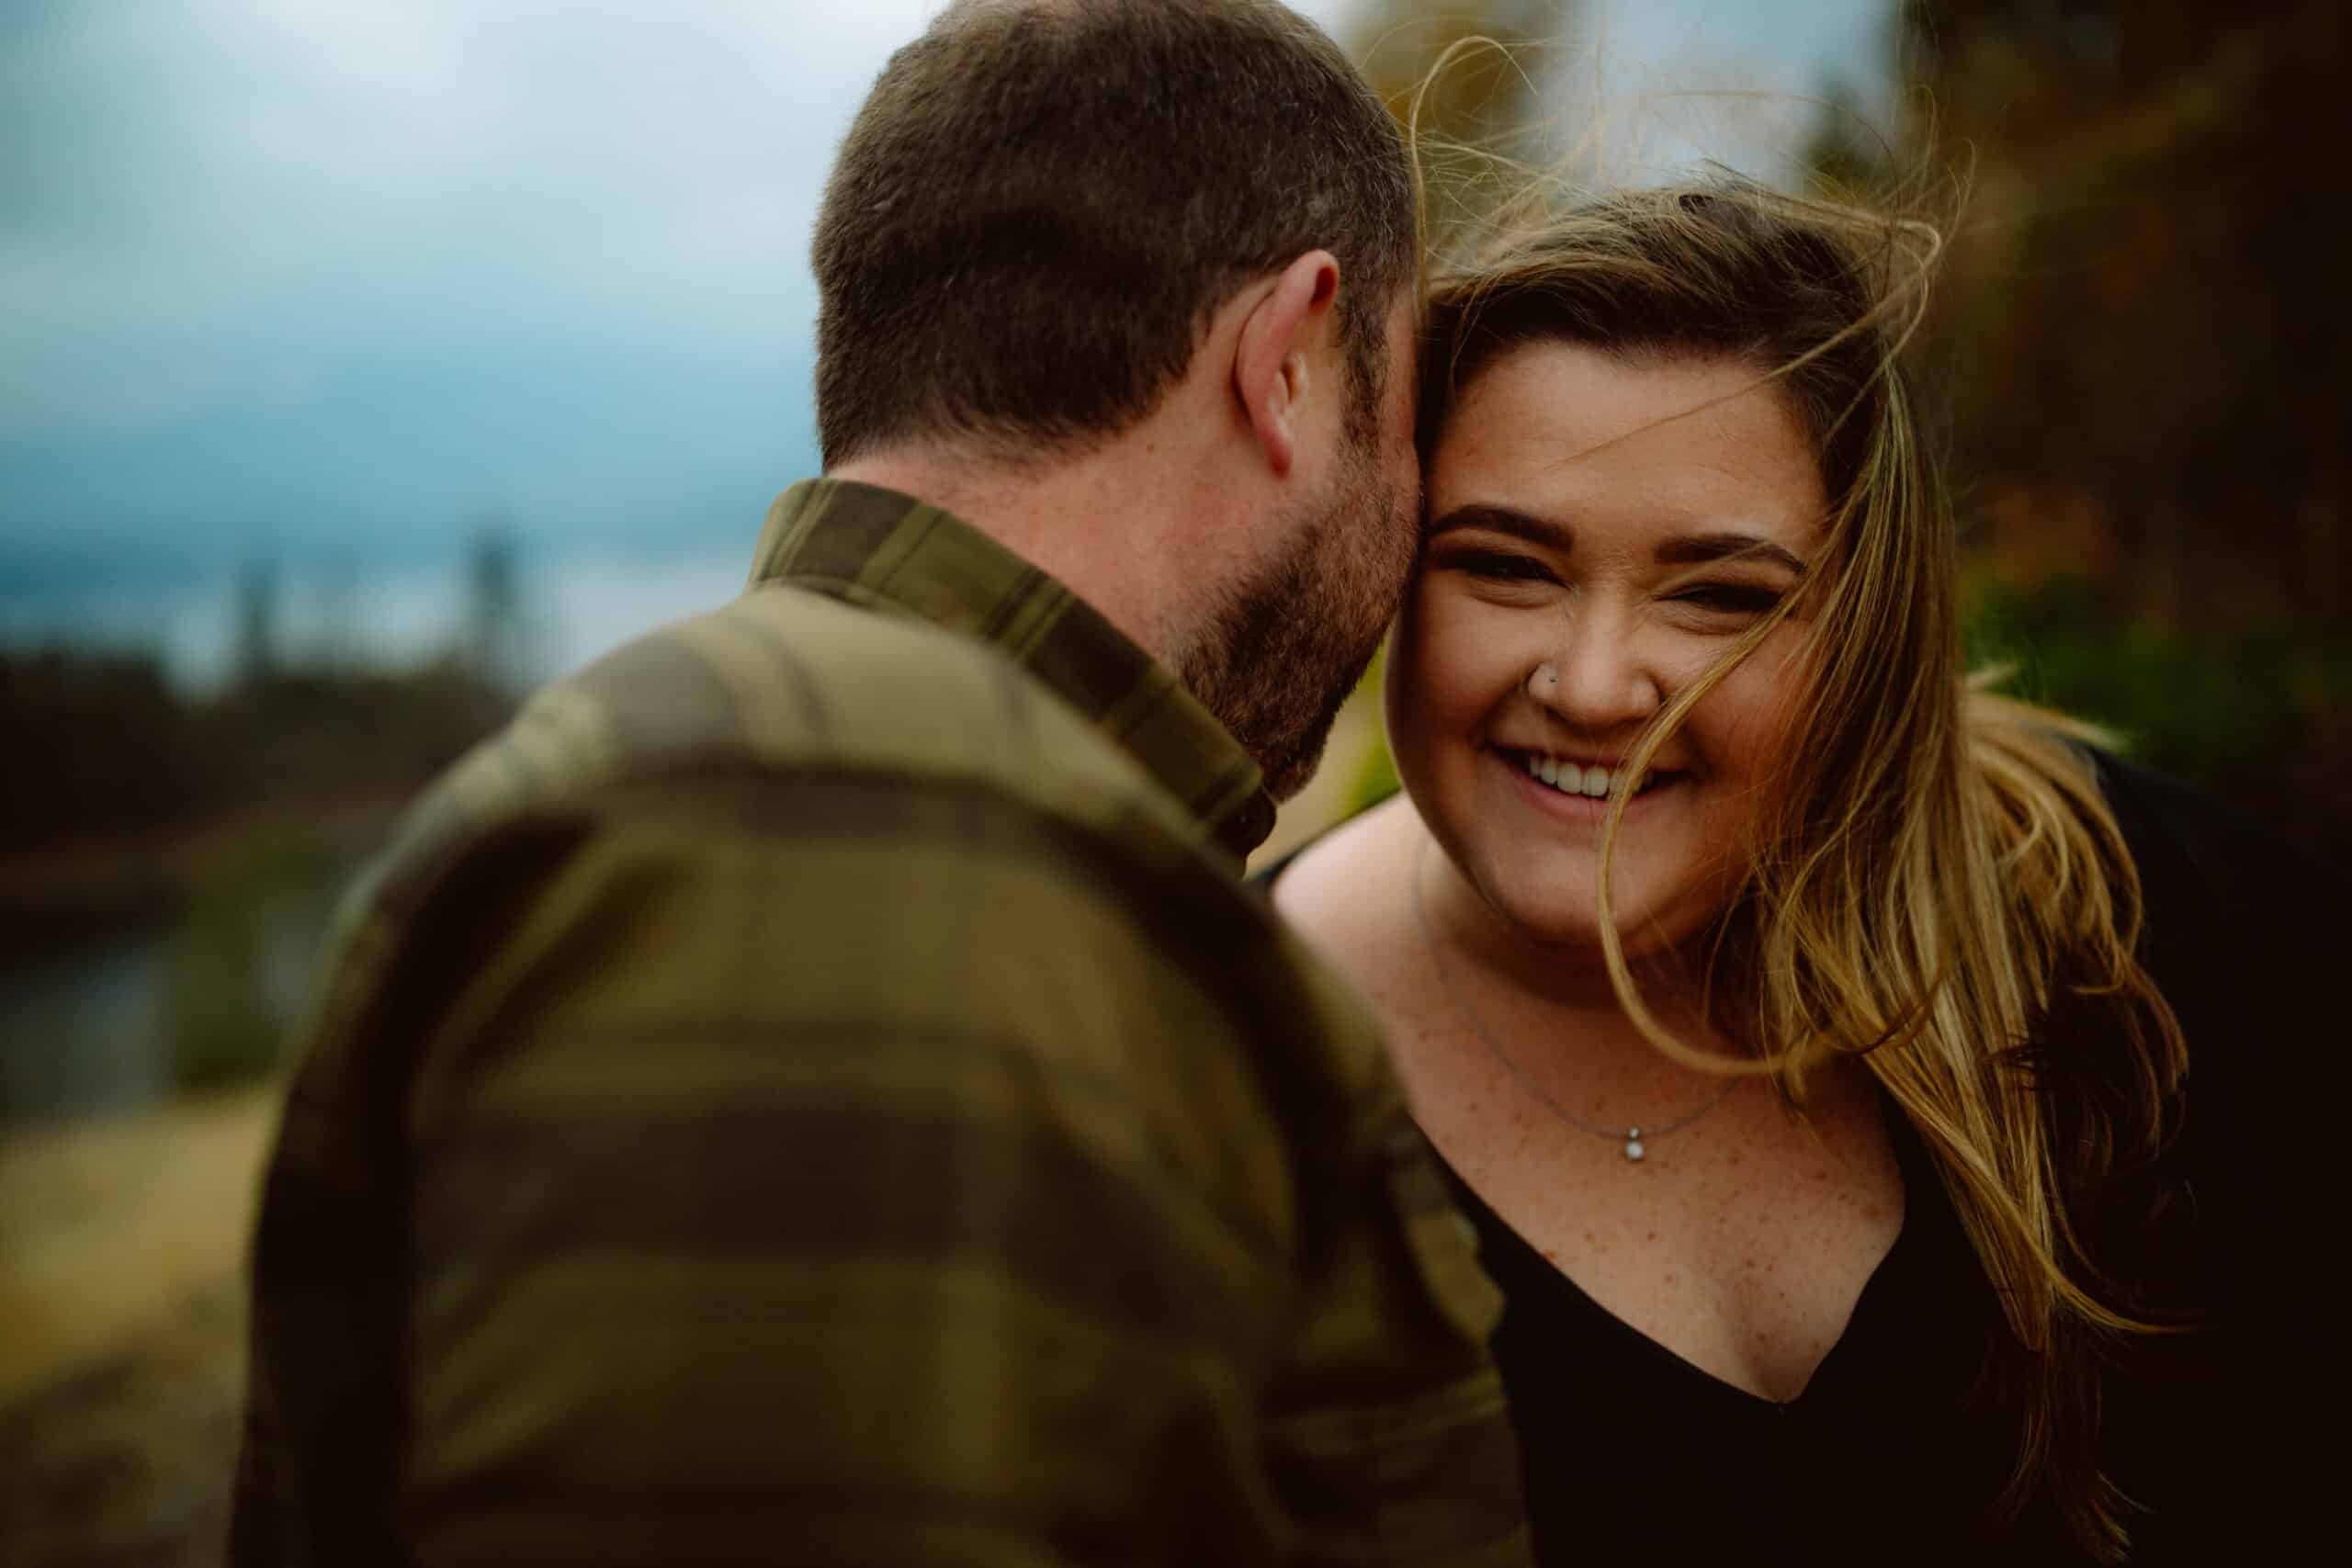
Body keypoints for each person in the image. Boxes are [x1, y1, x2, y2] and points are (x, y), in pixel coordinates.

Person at [228, 4, 1532, 1563]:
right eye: (1409, 430)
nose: (1410, 514)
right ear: (1295, 358)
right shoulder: (873, 856)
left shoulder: (715, 785)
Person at [1265, 178, 2341, 1563]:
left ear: (1868, 629)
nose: (1594, 687)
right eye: (1505, 567)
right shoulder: (1224, 1068)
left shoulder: (2146, 926)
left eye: (1720, 595)